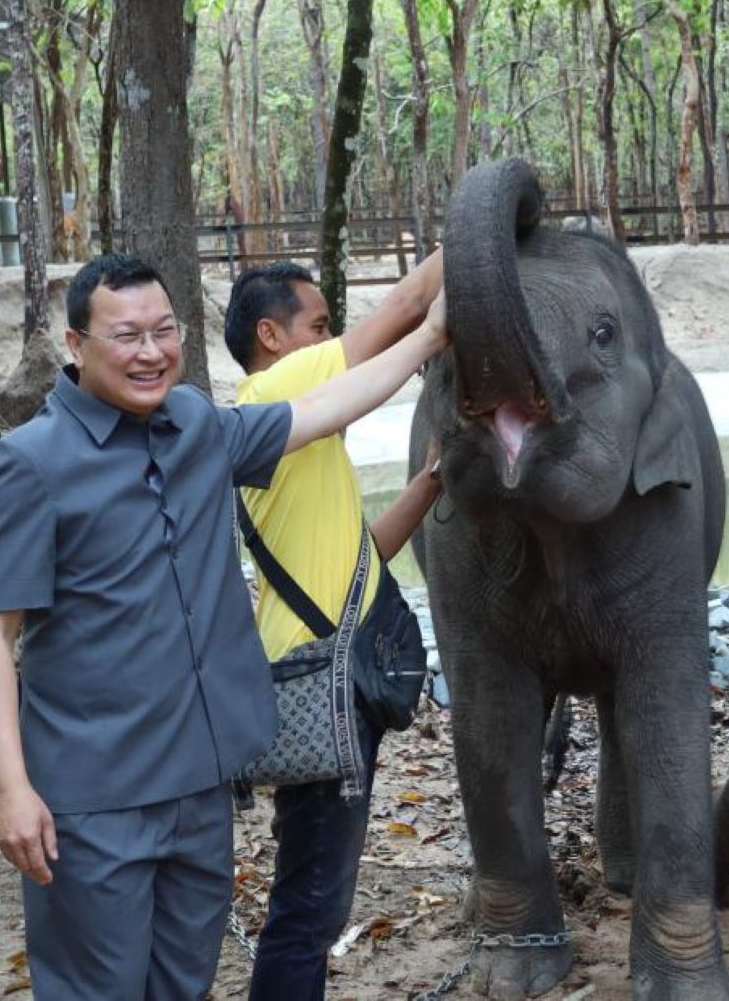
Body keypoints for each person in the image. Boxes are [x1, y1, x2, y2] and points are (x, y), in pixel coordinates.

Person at [0, 252, 447, 999]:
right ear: (75, 345)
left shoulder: (195, 425)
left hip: (201, 789)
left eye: (164, 331)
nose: (150, 353)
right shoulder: (30, 464)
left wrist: (429, 336)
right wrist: (10, 789)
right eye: (126, 336)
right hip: (93, 801)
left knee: (184, 986)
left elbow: (324, 408)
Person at [222, 254, 444, 1000]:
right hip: (321, 684)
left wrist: (430, 485)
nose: (333, 338)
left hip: (320, 674)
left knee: (314, 897)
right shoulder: (272, 391)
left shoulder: (300, 447)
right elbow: (409, 305)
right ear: (272, 336)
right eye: (319, 326)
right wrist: (477, 214)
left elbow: (362, 557)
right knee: (309, 910)